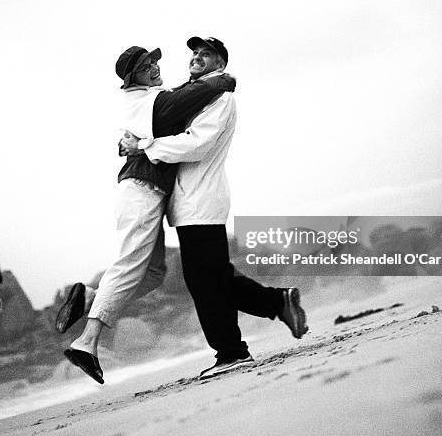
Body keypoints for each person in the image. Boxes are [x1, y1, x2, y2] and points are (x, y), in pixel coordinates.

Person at [121, 37, 308, 379]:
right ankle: (277, 304)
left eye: (205, 54)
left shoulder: (220, 97)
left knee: (206, 280)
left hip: (201, 200)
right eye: (194, 52)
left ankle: (233, 351)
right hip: (190, 201)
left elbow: (198, 143)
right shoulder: (197, 95)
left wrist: (144, 147)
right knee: (213, 276)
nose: (197, 57)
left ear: (220, 64)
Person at [59, 45, 236, 384]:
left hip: (149, 195)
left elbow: (182, 97)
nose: (154, 67)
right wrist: (223, 81)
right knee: (129, 265)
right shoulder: (147, 101)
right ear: (132, 79)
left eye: (154, 61)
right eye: (145, 67)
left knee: (153, 274)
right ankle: (86, 343)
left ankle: (91, 297)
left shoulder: (153, 95)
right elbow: (188, 100)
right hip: (141, 191)